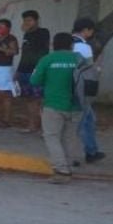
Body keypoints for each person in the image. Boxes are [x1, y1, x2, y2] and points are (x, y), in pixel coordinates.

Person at [31, 33, 85, 184]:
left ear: (53, 45)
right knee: (69, 137)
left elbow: (34, 80)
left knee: (52, 137)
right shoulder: (80, 59)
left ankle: (61, 170)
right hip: (77, 105)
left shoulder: (47, 59)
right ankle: (68, 167)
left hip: (53, 104)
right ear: (71, 45)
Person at [72, 17, 105, 163]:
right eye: (91, 30)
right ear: (85, 30)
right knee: (81, 121)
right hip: (82, 87)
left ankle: (91, 150)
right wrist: (98, 66)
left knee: (88, 119)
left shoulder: (67, 43)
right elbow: (90, 70)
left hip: (70, 85)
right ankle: (74, 154)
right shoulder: (84, 47)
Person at [15, 10, 50, 134]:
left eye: (29, 20)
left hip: (36, 71)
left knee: (39, 100)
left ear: (36, 20)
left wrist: (28, 30)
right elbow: (25, 54)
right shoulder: (26, 35)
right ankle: (32, 126)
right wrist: (18, 71)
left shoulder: (43, 32)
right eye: (25, 20)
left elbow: (42, 51)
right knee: (29, 99)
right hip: (24, 71)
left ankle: (44, 128)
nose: (26, 23)